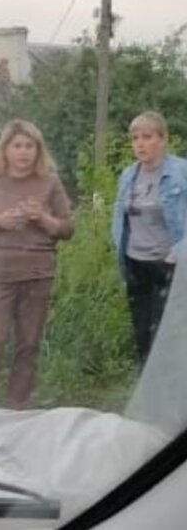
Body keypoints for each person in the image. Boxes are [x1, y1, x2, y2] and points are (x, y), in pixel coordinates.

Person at [0, 119, 73, 409]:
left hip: (37, 273)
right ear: (5, 149)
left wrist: (43, 218)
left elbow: (68, 228)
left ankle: (17, 408)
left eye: (29, 146)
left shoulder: (50, 182)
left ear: (38, 151)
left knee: (28, 344)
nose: (23, 152)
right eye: (17, 146)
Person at [111, 111, 187, 367]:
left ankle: (173, 393)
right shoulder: (128, 175)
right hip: (136, 262)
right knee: (142, 332)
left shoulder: (180, 172)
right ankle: (147, 391)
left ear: (163, 139)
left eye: (147, 137)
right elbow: (121, 219)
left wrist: (180, 249)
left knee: (169, 333)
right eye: (135, 138)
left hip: (169, 263)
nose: (140, 144)